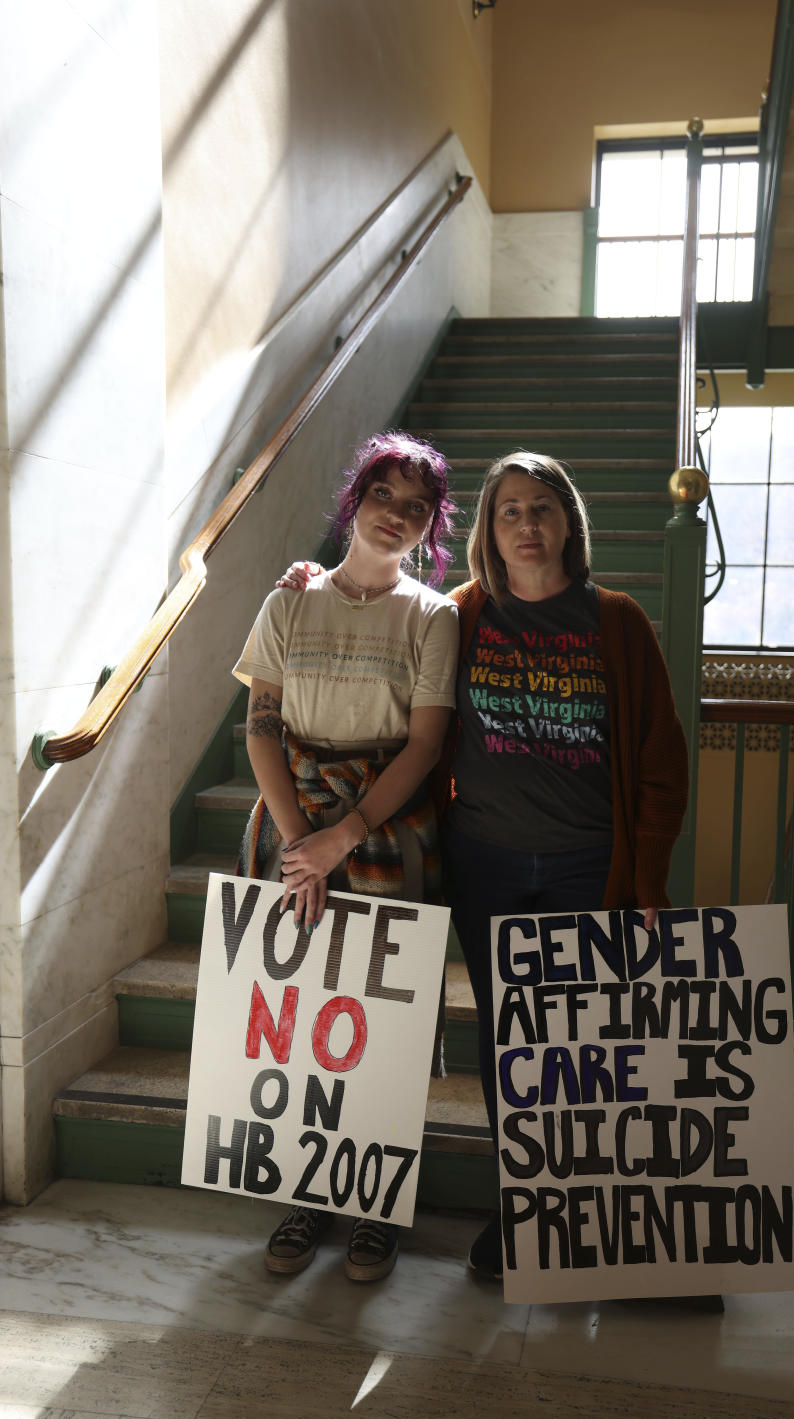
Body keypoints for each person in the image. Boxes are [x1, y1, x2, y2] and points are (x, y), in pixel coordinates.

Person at [279, 449, 688, 1283]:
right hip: (486, 865)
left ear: (568, 520)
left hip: (587, 867)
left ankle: (587, 1221)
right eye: (508, 511)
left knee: (582, 1047)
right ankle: (522, 1215)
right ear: (488, 535)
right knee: (512, 1046)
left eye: (541, 507)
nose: (527, 524)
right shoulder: (459, 614)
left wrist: (648, 882)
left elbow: (660, 764)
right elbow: (378, 606)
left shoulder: (618, 622)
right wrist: (309, 577)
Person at [234, 430, 458, 1284]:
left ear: (430, 526)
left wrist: (344, 835)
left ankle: (377, 1205)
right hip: (292, 822)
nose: (395, 515)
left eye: (416, 506)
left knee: (385, 1026)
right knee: (299, 1024)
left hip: (385, 831)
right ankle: (308, 1191)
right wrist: (300, 843)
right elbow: (261, 724)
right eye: (383, 495)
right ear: (353, 499)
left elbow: (426, 745)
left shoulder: (433, 616)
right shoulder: (287, 602)